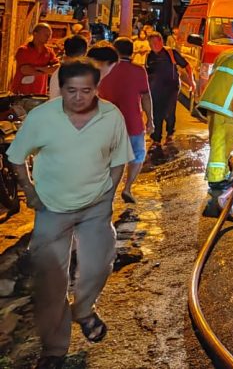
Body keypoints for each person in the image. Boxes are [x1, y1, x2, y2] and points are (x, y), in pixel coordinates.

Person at [7, 59, 133, 369]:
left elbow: (119, 160)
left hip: (95, 206)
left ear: (96, 90)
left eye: (86, 91)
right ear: (60, 88)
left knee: (100, 264)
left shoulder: (111, 116)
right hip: (51, 207)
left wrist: (109, 194)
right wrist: (30, 190)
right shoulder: (42, 118)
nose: (78, 97)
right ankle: (54, 349)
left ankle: (85, 309)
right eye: (71, 91)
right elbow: (16, 156)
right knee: (50, 279)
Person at [97, 38, 153, 204]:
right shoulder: (139, 71)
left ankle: (107, 191)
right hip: (132, 121)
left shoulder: (104, 69)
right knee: (137, 155)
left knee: (108, 157)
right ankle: (127, 187)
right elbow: (146, 96)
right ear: (132, 52)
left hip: (106, 122)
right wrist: (151, 119)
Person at [198, 46, 233, 189]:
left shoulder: (229, 53)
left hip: (213, 100)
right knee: (222, 142)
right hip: (227, 105)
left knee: (217, 141)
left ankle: (221, 173)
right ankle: (216, 179)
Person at [144, 32, 191, 146]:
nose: (154, 45)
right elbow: (146, 72)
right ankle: (156, 138)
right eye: (151, 43)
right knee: (156, 112)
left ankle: (170, 133)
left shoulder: (171, 53)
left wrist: (191, 81)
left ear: (161, 41)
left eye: (156, 42)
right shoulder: (149, 56)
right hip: (155, 89)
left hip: (171, 88)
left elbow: (186, 65)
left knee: (169, 111)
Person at [11, 23, 59, 95]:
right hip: (22, 93)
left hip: (40, 93)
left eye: (50, 35)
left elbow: (56, 67)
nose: (48, 37)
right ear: (35, 34)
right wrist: (46, 69)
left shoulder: (49, 51)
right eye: (46, 34)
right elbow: (25, 70)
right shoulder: (23, 50)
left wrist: (38, 68)